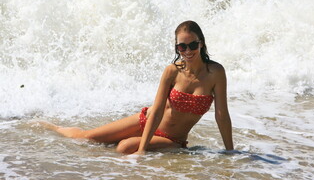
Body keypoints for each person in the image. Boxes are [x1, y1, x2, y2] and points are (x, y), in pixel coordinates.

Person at [42, 20, 234, 154]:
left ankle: (155, 147)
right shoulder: (172, 71)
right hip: (147, 121)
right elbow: (157, 110)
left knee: (124, 148)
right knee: (88, 137)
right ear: (177, 48)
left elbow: (221, 115)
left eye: (192, 45)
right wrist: (142, 149)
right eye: (182, 47)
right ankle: (53, 127)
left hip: (171, 139)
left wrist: (230, 152)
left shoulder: (215, 73)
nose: (188, 51)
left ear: (201, 43)